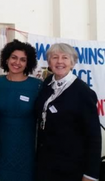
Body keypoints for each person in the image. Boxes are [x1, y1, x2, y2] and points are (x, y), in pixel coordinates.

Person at [35, 43, 101, 181]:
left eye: (65, 57)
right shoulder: (47, 84)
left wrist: (90, 174)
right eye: (55, 57)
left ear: (72, 63)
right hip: (45, 165)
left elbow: (93, 136)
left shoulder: (83, 92)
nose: (59, 61)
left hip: (71, 168)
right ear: (49, 62)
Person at [0, 39, 42, 181]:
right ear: (6, 59)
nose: (17, 63)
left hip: (27, 149)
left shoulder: (37, 86)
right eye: (14, 57)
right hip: (1, 148)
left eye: (23, 60)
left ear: (28, 63)